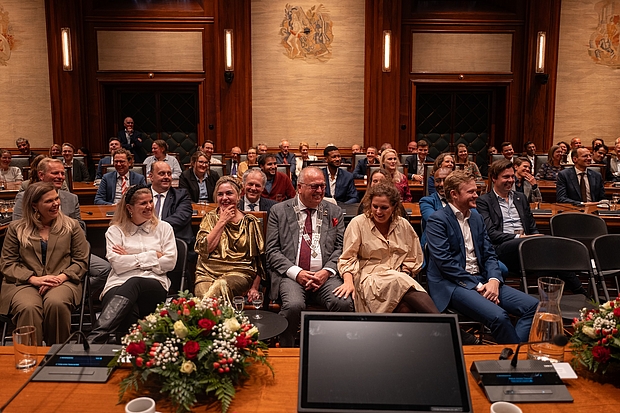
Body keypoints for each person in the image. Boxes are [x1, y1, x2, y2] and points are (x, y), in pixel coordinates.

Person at [426, 170, 538, 344]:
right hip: (453, 283)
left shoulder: (476, 218)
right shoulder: (437, 220)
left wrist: (494, 279)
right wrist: (479, 286)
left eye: (476, 191)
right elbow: (445, 263)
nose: (476, 195)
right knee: (499, 317)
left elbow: (489, 254)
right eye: (470, 192)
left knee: (533, 307)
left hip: (483, 279)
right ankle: (517, 358)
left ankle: (510, 353)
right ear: (454, 194)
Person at [266, 167, 354, 347]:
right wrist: (297, 273)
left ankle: (336, 349)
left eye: (322, 186)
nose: (320, 191)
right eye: (314, 187)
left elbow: (341, 248)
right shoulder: (279, 211)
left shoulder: (334, 211)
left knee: (343, 302)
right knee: (293, 306)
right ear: (299, 187)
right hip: (291, 276)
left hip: (325, 276)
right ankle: (286, 350)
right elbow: (272, 251)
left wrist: (327, 271)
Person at [0, 182, 88, 345]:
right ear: (34, 205)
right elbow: (7, 263)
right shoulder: (16, 228)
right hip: (23, 283)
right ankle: (29, 358)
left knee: (56, 304)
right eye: (49, 201)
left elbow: (81, 261)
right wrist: (33, 279)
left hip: (62, 280)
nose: (56, 204)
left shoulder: (72, 226)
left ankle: (57, 355)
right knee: (29, 307)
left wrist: (61, 277)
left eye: (56, 198)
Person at [12, 158, 112, 302]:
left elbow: (81, 231)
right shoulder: (25, 197)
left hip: (69, 252)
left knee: (105, 270)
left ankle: (73, 297)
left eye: (62, 173)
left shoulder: (72, 198)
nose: (60, 176)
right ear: (41, 175)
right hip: (36, 254)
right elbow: (18, 232)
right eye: (55, 173)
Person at [88, 185, 177, 343]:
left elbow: (169, 262)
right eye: (143, 203)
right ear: (129, 207)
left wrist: (130, 256)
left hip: (154, 284)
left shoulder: (164, 228)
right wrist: (153, 256)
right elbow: (117, 265)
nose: (149, 206)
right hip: (118, 282)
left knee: (134, 281)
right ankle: (131, 352)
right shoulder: (115, 231)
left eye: (150, 201)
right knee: (128, 310)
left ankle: (95, 338)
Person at [339, 183, 438, 314]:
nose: (378, 212)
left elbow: (413, 257)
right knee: (402, 284)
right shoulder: (358, 223)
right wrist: (348, 281)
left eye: (384, 208)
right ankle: (446, 324)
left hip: (399, 276)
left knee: (405, 307)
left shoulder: (403, 224)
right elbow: (348, 258)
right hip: (369, 278)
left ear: (394, 207)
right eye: (375, 206)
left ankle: (441, 328)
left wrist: (406, 272)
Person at [194, 176, 264, 301]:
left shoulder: (250, 222)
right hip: (207, 273)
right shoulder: (209, 218)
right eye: (220, 194)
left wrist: (255, 287)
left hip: (239, 273)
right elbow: (205, 250)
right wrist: (222, 222)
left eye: (229, 193)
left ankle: (207, 319)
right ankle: (228, 320)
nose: (224, 198)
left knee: (220, 286)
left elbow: (259, 261)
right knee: (202, 294)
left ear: (239, 196)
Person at [476, 159, 542, 273]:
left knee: (554, 248)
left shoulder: (520, 198)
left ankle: (578, 288)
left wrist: (535, 237)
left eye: (512, 176)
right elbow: (491, 234)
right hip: (502, 246)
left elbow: (532, 227)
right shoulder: (484, 201)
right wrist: (520, 238)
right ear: (494, 178)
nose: (511, 180)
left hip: (526, 243)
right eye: (506, 177)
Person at [149, 161, 194, 247]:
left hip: (173, 241)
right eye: (162, 174)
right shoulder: (141, 194)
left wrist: (153, 227)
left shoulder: (181, 195)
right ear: (151, 176)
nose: (166, 177)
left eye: (169, 174)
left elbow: (181, 217)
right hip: (145, 240)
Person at [419, 167, 452, 249]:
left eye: (445, 180)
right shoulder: (427, 201)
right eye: (437, 181)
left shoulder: (462, 200)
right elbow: (435, 222)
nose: (441, 184)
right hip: (434, 246)